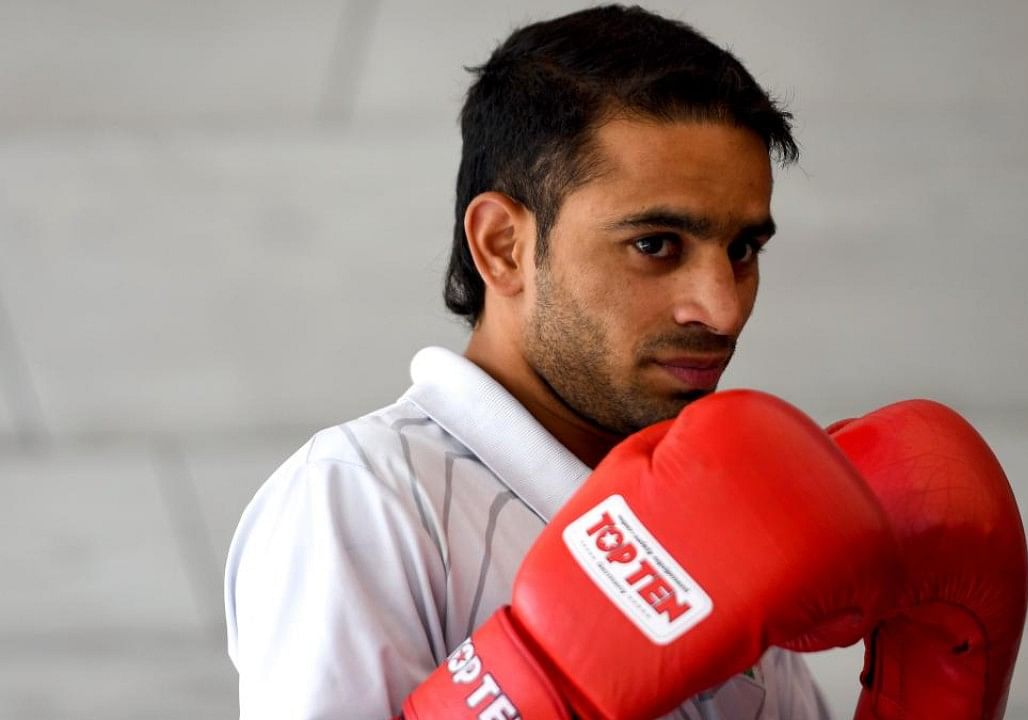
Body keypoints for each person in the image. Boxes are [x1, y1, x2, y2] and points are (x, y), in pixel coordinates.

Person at [224, 5, 842, 718]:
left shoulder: (726, 521)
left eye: (742, 250)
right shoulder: (367, 497)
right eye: (655, 244)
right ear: (502, 246)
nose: (721, 308)